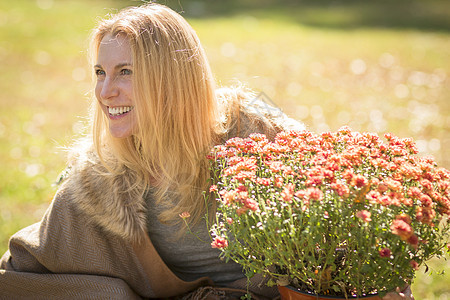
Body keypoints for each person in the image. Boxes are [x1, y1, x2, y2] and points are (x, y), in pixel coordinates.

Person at [0, 3, 413, 299]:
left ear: (171, 79)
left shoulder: (259, 144)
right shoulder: (100, 181)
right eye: (100, 72)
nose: (106, 92)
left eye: (125, 71)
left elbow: (350, 231)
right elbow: (19, 273)